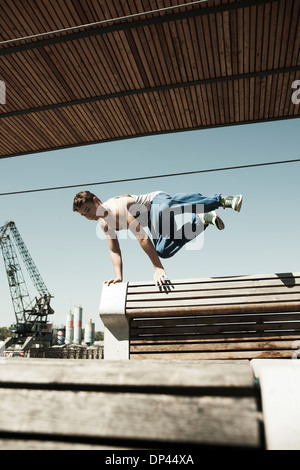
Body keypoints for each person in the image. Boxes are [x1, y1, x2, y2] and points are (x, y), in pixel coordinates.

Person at [73, 190, 243, 286]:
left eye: (88, 209)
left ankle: (221, 200)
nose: (89, 216)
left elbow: (142, 237)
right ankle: (200, 220)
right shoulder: (105, 224)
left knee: (164, 208)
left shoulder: (115, 209)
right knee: (162, 250)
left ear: (96, 200)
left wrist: (157, 268)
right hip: (154, 221)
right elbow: (114, 251)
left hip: (156, 201)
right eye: (84, 215)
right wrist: (118, 276)